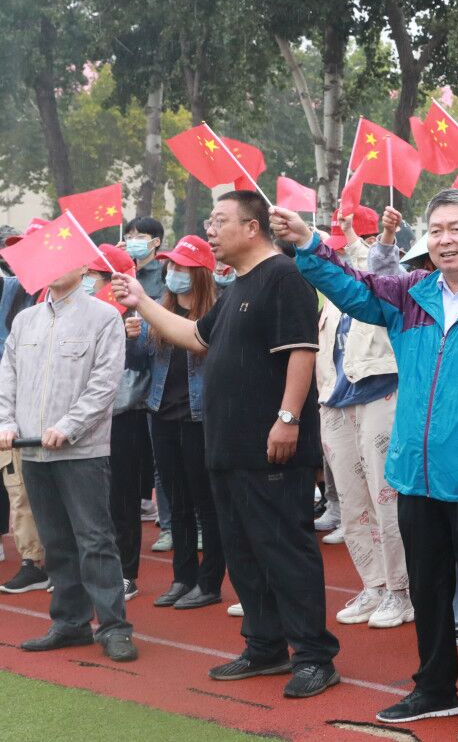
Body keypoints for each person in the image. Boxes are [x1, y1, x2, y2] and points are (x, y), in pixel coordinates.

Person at [274, 188, 458, 742]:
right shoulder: (410, 295)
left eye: (456, 228)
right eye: (437, 229)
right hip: (415, 473)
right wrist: (309, 245)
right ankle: (435, 688)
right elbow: (350, 288)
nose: (445, 239)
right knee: (427, 588)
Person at [112, 190, 339, 699]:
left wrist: (287, 418)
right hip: (228, 446)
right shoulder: (237, 285)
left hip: (271, 447)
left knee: (285, 550)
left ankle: (314, 656)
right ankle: (265, 646)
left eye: (219, 221)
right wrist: (142, 300)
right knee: (244, 551)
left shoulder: (283, 276)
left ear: (252, 227)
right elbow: (196, 336)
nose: (210, 231)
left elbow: (301, 352)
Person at [0, 260, 137, 662]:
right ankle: (70, 623)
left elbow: (105, 383)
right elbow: (7, 376)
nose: (55, 268)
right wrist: (6, 421)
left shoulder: (104, 317)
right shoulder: (25, 321)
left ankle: (114, 627)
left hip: (81, 450)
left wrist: (68, 426)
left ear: (83, 268)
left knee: (95, 540)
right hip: (32, 448)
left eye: (65, 262)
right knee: (56, 541)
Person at [316, 207, 412, 630]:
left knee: (385, 499)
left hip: (380, 389)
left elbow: (371, 263)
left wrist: (375, 236)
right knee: (353, 502)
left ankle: (401, 589)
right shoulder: (329, 300)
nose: (339, 255)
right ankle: (374, 584)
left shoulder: (385, 280)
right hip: (335, 399)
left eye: (347, 246)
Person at [130, 234, 227, 610]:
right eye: (170, 266)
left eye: (181, 267)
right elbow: (141, 359)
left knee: (207, 503)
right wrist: (132, 338)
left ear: (199, 272)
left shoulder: (215, 312)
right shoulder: (158, 309)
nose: (173, 272)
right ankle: (183, 578)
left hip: (199, 420)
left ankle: (210, 582)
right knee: (177, 504)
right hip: (162, 416)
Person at [86, 244, 151, 603]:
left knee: (122, 500)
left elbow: (140, 368)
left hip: (124, 418)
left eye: (93, 276)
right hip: (88, 420)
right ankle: (97, 568)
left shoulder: (136, 313)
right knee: (93, 500)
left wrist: (132, 339)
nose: (88, 281)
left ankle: (126, 573)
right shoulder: (85, 313)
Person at [0, 222, 49, 595]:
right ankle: (33, 561)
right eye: (14, 249)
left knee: (57, 491)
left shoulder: (69, 296)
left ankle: (63, 561)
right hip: (13, 405)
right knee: (17, 486)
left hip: (54, 411)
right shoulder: (13, 290)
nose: (20, 256)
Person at [120, 216, 173, 548]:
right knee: (143, 456)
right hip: (125, 373)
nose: (132, 241)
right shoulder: (119, 274)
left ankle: (172, 523)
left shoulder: (165, 275)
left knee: (163, 454)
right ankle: (166, 522)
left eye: (139, 236)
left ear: (156, 242)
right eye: (129, 236)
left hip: (157, 373)